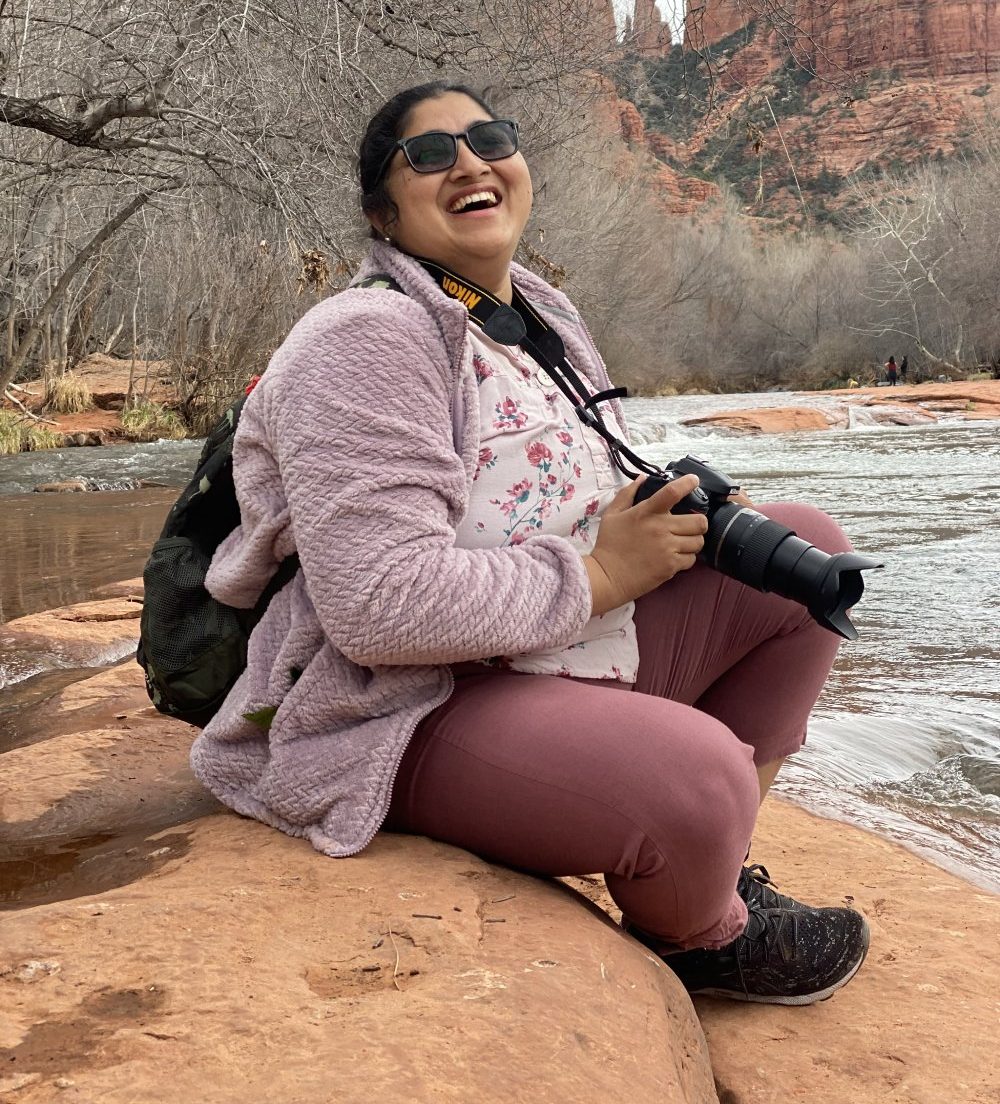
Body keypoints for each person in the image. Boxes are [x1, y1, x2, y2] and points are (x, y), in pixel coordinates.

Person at [191, 81, 869, 1005]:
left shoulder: (535, 317)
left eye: (489, 138)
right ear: (381, 210)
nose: (469, 163)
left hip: (556, 648)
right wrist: (599, 571)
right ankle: (701, 933)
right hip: (412, 701)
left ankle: (711, 863)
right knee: (700, 777)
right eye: (429, 155)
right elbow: (375, 607)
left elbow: (546, 493)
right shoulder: (362, 339)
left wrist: (659, 514)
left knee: (802, 553)